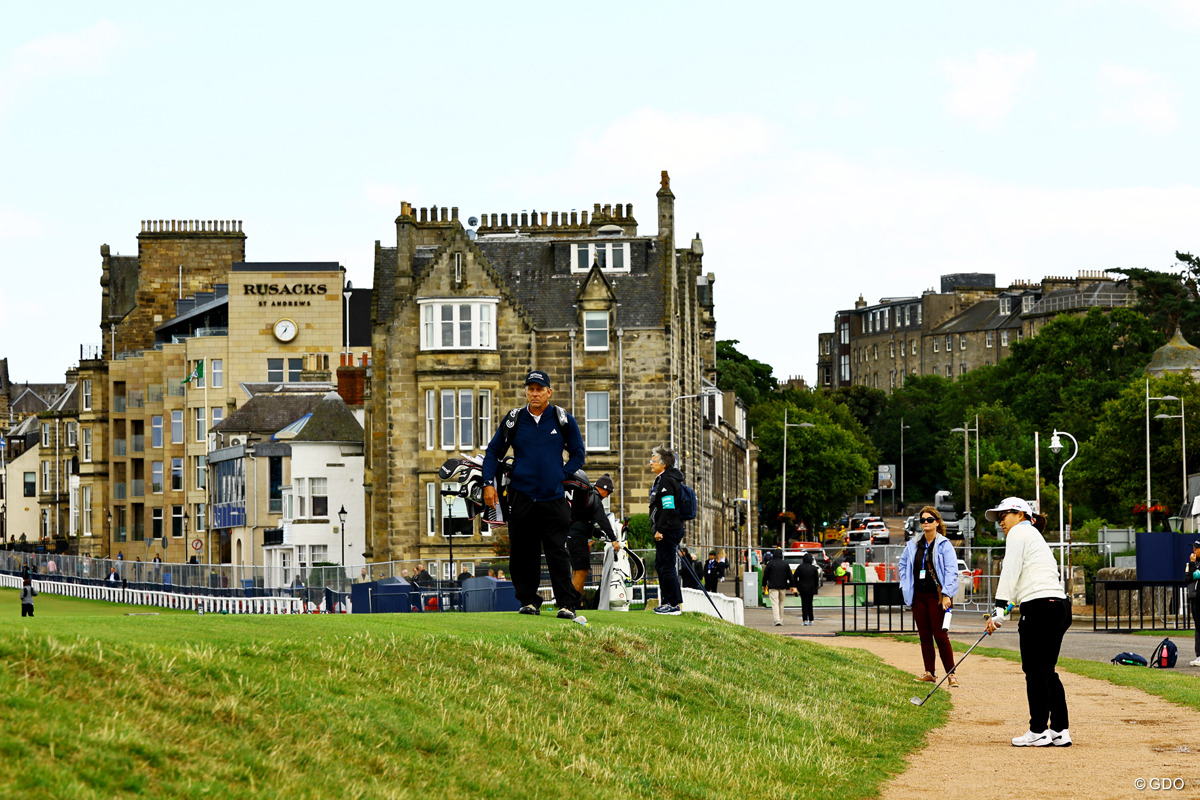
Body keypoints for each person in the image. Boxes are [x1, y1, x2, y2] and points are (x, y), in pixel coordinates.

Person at [482, 369, 585, 619]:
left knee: (557, 552)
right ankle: (528, 601)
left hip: (553, 498)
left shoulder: (563, 419)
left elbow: (579, 453)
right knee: (522, 553)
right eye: (531, 389)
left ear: (549, 392)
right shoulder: (514, 419)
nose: (535, 393)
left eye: (539, 389)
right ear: (526, 391)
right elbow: (493, 452)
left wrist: (561, 474)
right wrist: (488, 483)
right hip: (522, 497)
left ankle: (566, 604)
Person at [983, 496, 1072, 748]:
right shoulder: (1033, 536)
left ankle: (1037, 730)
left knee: (1034, 670)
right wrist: (1008, 606)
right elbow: (1025, 578)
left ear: (1021, 514)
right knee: (1046, 670)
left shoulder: (1019, 533)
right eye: (998, 518)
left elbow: (1009, 571)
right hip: (1058, 607)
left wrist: (998, 611)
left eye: (1005, 515)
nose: (1001, 521)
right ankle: (1059, 729)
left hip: (1041, 608)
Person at [897, 506, 960, 687]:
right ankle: (929, 672)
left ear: (937, 522)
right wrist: (905, 583)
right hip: (918, 596)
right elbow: (903, 564)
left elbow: (951, 571)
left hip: (936, 596)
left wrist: (947, 593)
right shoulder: (913, 544)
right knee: (924, 635)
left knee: (940, 636)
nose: (925, 522)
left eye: (929, 520)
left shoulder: (944, 544)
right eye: (923, 520)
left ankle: (951, 674)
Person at [648, 445, 687, 616]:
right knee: (662, 565)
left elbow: (668, 507)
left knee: (667, 566)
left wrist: (660, 529)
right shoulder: (665, 479)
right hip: (670, 528)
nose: (651, 463)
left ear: (663, 464)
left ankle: (673, 604)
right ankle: (667, 601)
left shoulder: (666, 480)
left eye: (654, 460)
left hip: (668, 530)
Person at [567, 473, 617, 596]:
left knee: (577, 570)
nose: (607, 496)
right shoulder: (594, 498)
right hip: (578, 538)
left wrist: (596, 533)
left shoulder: (587, 496)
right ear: (602, 488)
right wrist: (613, 539)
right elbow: (602, 520)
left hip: (572, 535)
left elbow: (583, 519)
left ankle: (571, 601)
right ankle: (574, 603)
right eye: (608, 492)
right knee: (582, 571)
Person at [762, 548, 794, 626]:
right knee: (781, 603)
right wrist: (792, 585)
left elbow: (765, 575)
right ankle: (781, 619)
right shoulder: (785, 564)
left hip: (772, 586)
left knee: (775, 603)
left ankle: (776, 620)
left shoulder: (770, 564)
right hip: (783, 586)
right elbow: (790, 576)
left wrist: (764, 584)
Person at [793, 553, 821, 626]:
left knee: (804, 604)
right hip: (811, 588)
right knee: (810, 603)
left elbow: (795, 577)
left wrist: (796, 585)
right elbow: (816, 580)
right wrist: (815, 588)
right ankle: (811, 619)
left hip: (802, 588)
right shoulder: (814, 568)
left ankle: (805, 619)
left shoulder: (800, 567)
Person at [1187, 541, 1200, 667]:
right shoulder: (1192, 563)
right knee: (1197, 626)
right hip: (1194, 596)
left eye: (1197, 548)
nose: (1194, 550)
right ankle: (1198, 654)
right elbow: (1188, 577)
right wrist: (1192, 564)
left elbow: (1197, 575)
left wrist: (1194, 572)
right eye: (1194, 548)